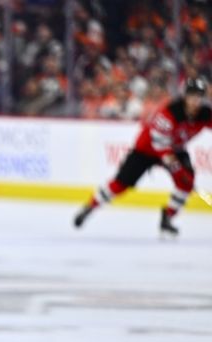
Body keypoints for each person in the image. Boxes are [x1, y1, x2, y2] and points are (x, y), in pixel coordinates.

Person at [74, 78, 211, 236]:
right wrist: (176, 168)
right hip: (146, 149)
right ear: (184, 96)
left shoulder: (205, 114)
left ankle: (167, 218)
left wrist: (180, 170)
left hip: (175, 149)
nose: (195, 100)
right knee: (121, 183)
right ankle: (90, 206)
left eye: (199, 97)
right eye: (192, 96)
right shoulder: (170, 112)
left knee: (186, 183)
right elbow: (159, 143)